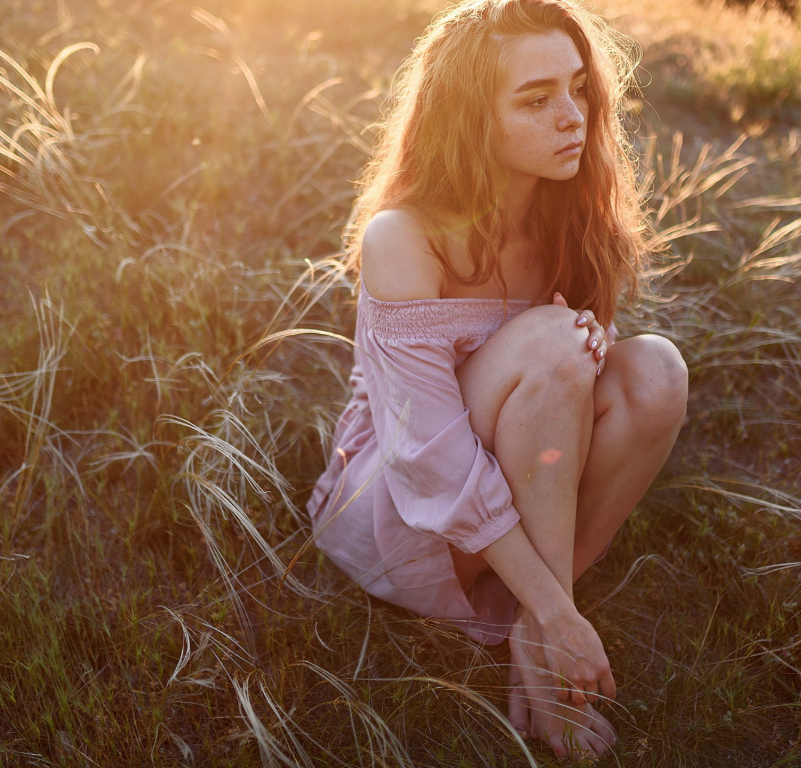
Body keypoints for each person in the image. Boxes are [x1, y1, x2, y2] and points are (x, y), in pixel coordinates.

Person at [307, 0, 688, 758]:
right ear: (470, 119)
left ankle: (529, 629)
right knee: (552, 343)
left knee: (656, 372)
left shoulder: (567, 218)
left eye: (578, 88)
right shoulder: (404, 237)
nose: (572, 116)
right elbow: (426, 458)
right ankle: (550, 625)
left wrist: (584, 346)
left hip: (508, 505)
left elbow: (559, 391)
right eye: (535, 100)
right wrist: (560, 615)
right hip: (400, 517)